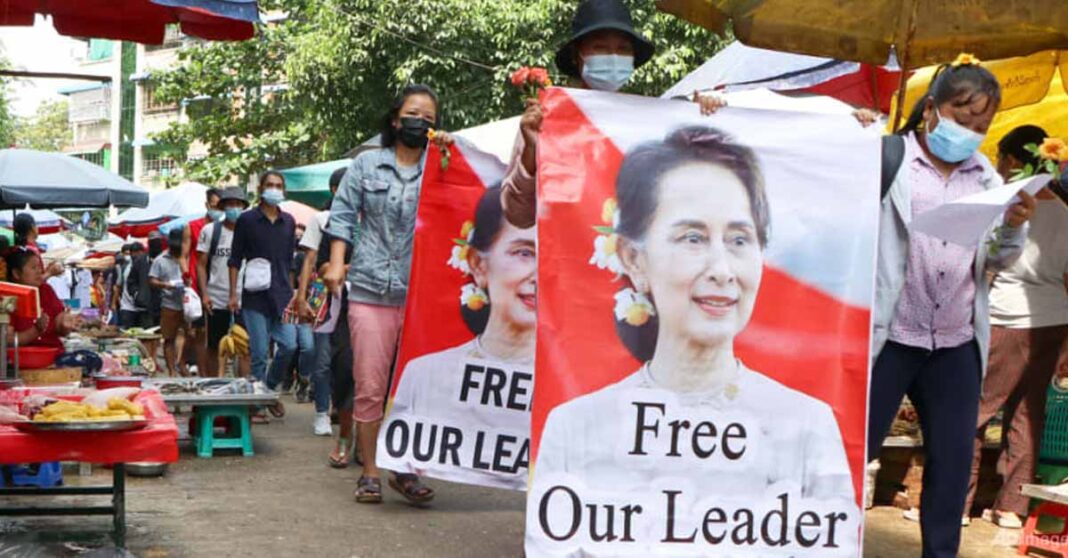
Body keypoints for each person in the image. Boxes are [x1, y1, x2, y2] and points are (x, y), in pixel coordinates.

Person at [527, 126, 858, 555]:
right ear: (635, 259)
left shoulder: (808, 428)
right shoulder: (574, 430)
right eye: (693, 238)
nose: (722, 269)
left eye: (739, 239)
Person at [866, 59, 1035, 558]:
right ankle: (828, 541)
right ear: (935, 110)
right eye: (965, 120)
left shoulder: (985, 177)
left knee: (952, 463)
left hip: (954, 341)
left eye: (981, 127)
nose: (972, 135)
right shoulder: (890, 159)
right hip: (892, 334)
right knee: (856, 451)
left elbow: (998, 258)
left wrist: (1016, 224)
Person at [323, 83, 453, 505]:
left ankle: (407, 469)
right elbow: (342, 218)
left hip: (421, 295)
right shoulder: (366, 166)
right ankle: (372, 471)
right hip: (370, 290)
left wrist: (455, 156)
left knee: (415, 388)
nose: (420, 122)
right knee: (370, 384)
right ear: (396, 119)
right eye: (413, 114)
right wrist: (338, 264)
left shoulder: (442, 165)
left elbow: (464, 210)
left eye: (429, 119)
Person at [500, 0, 724, 229]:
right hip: (572, 258)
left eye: (623, 49)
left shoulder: (651, 120)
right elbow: (518, 216)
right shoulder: (547, 120)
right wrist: (531, 153)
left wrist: (704, 116)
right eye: (600, 47)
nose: (613, 56)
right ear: (578, 56)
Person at [386, 186, 535, 489]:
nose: (540, 273)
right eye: (524, 253)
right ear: (479, 264)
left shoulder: (575, 393)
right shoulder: (424, 375)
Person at [962, 125, 1068, 529]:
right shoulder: (1064, 211)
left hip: (1007, 319)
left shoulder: (1009, 207)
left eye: (1002, 158)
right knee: (1027, 412)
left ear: (1011, 160)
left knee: (976, 409)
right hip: (1053, 322)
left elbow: (986, 262)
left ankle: (957, 501)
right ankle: (1012, 507)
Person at [228, 171, 297, 388]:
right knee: (258, 353)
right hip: (255, 297)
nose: (274, 189)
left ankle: (268, 387)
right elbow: (235, 259)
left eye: (278, 186)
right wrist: (233, 295)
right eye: (270, 185)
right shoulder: (247, 220)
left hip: (283, 295)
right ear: (261, 189)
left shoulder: (289, 221)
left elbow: (290, 261)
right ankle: (258, 403)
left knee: (290, 345)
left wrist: (295, 293)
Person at [296, 167, 349, 437]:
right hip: (325, 296)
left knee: (350, 359)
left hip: (358, 298)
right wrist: (302, 297)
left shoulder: (366, 219)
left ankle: (342, 408)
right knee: (323, 358)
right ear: (334, 190)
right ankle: (321, 412)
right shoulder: (322, 219)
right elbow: (310, 260)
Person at [197, 187, 251, 378]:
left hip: (245, 299)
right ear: (222, 207)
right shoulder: (210, 231)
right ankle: (213, 385)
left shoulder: (250, 232)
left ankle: (245, 391)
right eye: (229, 205)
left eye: (238, 204)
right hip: (216, 298)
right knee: (215, 346)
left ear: (244, 207)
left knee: (245, 347)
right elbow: (201, 265)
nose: (234, 208)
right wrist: (204, 294)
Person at [4, 247, 81, 348]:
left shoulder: (46, 290)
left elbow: (59, 325)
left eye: (40, 267)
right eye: (33, 267)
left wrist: (65, 323)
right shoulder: (6, 298)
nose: (39, 271)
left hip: (52, 354)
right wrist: (35, 330)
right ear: (17, 274)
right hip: (22, 359)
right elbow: (6, 340)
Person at [183, 188, 221, 377]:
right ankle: (203, 374)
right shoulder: (192, 226)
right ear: (207, 205)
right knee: (199, 333)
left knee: (217, 336)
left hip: (219, 286)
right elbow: (183, 255)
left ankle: (215, 374)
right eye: (215, 206)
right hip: (196, 287)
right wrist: (185, 275)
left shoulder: (227, 228)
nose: (219, 210)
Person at [150, 227, 190, 377]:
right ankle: (172, 370)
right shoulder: (161, 260)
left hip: (189, 304)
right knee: (169, 338)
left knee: (192, 336)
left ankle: (182, 362)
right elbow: (152, 279)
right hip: (169, 303)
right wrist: (165, 285)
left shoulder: (188, 257)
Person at [12, 212, 63, 280]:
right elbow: (33, 280)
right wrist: (50, 272)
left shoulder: (19, 247)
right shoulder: (30, 251)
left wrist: (48, 270)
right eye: (36, 225)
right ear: (32, 227)